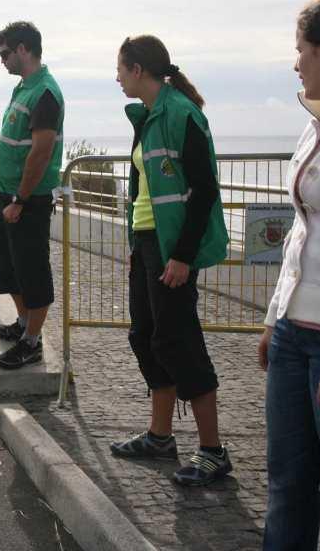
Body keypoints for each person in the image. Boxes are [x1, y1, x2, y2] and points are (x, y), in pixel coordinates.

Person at [108, 35, 232, 486]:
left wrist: (181, 255)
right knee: (146, 336)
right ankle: (160, 437)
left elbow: (204, 191)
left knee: (179, 340)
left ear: (138, 69)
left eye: (120, 68)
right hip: (147, 242)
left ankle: (213, 451)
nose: (117, 77)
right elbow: (145, 190)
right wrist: (136, 245)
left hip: (170, 246)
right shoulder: (147, 116)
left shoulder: (181, 113)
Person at [259, 0, 320, 549]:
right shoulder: (319, 125)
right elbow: (302, 233)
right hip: (294, 333)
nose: (296, 62)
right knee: (287, 485)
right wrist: (273, 317)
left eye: (300, 49)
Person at [0, 21, 64, 370]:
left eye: (5, 53)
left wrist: (20, 200)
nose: (2, 60)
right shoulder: (24, 88)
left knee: (33, 269)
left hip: (28, 199)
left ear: (23, 49)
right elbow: (16, 137)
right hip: (7, 194)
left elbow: (41, 152)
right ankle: (23, 324)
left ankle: (32, 342)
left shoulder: (45, 92)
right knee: (2, 258)